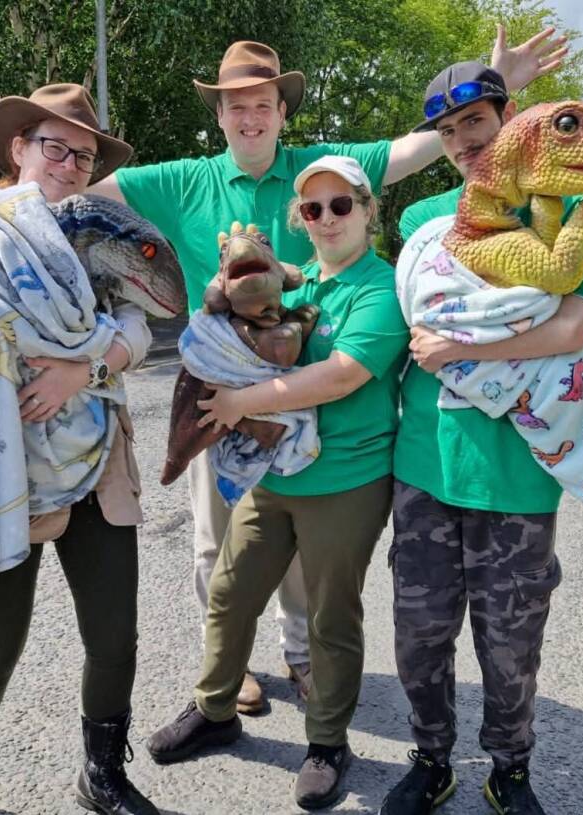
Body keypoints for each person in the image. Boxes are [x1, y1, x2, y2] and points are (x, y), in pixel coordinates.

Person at [0, 27, 566, 715]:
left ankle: (301, 652)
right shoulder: (183, 180)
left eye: (263, 104)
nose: (250, 117)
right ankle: (232, 664)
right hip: (219, 387)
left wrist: (498, 87)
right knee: (218, 537)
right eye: (236, 105)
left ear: (283, 112)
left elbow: (414, 148)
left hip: (306, 386)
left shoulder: (323, 167)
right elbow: (60, 184)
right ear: (220, 115)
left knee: (296, 540)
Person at [0, 84, 160, 815]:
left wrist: (83, 369)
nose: (70, 164)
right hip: (1, 468)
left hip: (95, 459)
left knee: (114, 638)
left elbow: (138, 326)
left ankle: (102, 776)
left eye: (83, 156)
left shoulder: (97, 233)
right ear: (18, 148)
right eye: (55, 147)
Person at [379, 63, 583, 815]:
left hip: (517, 471)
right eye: (447, 131)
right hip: (425, 462)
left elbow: (571, 327)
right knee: (419, 632)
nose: (461, 142)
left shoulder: (569, 206)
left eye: (474, 122)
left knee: (510, 642)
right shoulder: (424, 220)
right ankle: (431, 758)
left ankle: (510, 768)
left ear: (509, 120)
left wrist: (461, 349)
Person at [145, 154, 409, 811]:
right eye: (312, 209)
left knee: (329, 616)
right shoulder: (299, 282)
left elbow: (341, 375)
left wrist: (243, 402)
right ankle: (215, 710)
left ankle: (327, 742)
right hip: (275, 475)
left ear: (368, 210)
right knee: (230, 591)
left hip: (346, 480)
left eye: (341, 205)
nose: (326, 219)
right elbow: (240, 317)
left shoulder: (381, 287)